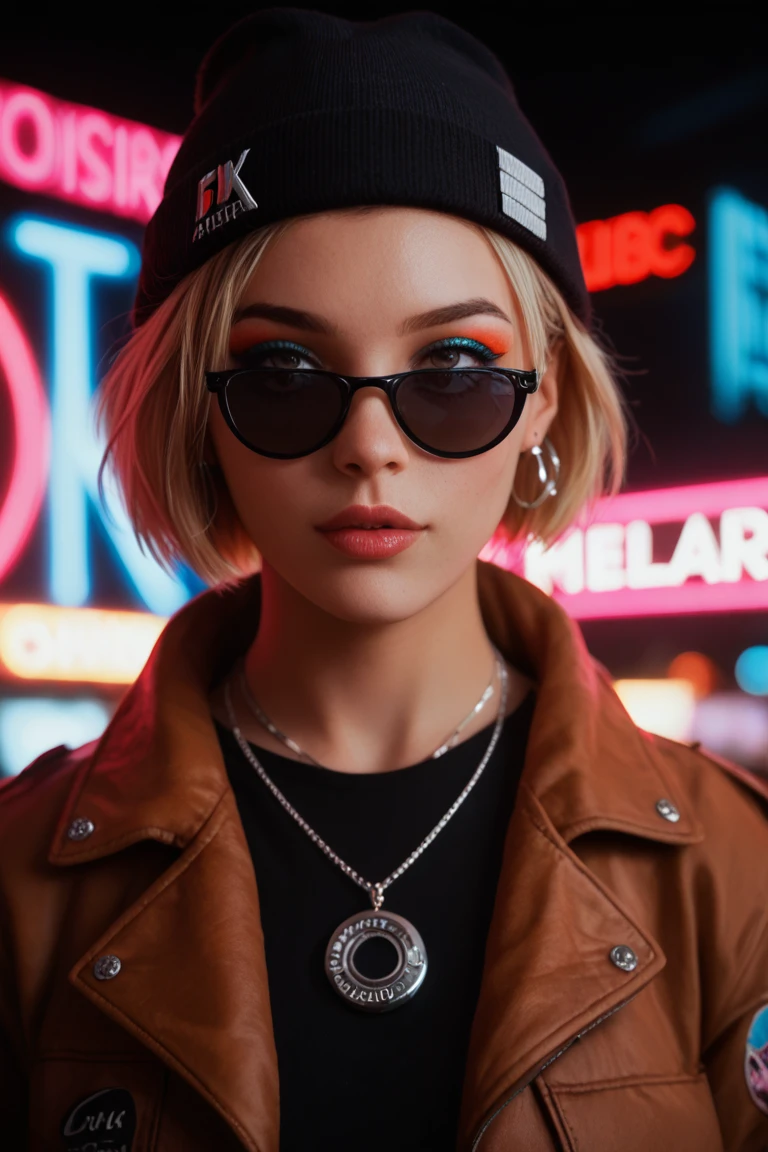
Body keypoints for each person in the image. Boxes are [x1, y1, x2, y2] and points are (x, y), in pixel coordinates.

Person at [1, 11, 767, 1151]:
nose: (370, 446)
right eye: (284, 373)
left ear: (543, 398)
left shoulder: (732, 865)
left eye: (453, 371)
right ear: (193, 411)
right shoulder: (23, 874)